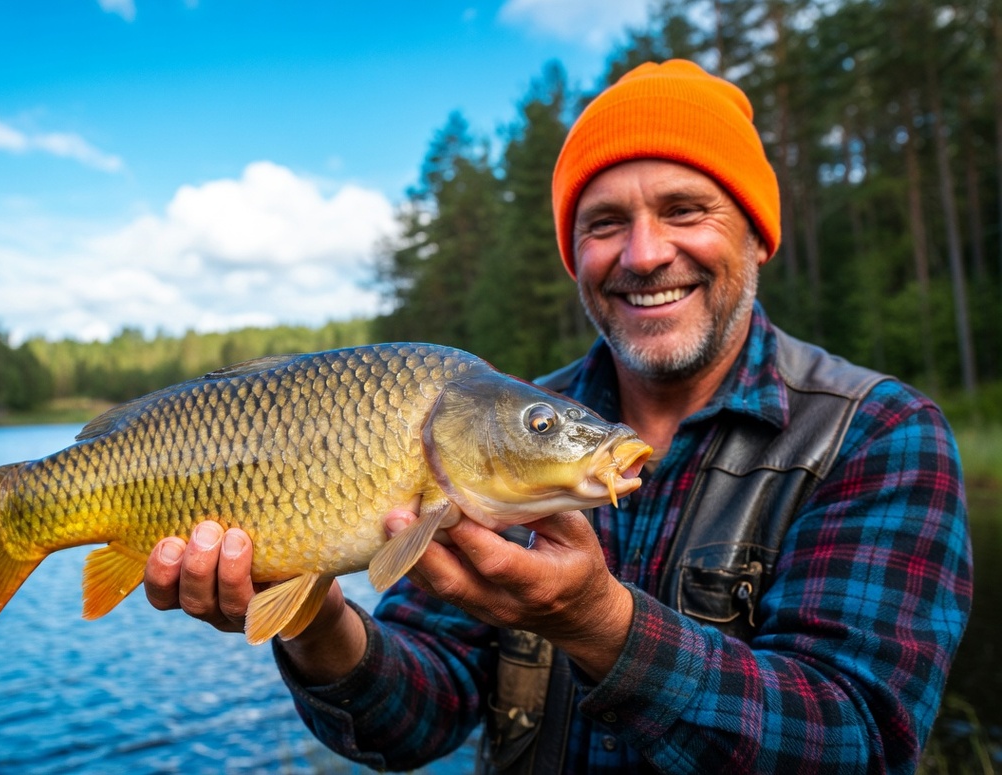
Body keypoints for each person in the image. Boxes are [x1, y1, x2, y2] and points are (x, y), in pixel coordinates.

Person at [142, 59, 973, 772]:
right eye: (605, 223)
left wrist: (598, 624)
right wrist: (316, 616)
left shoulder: (879, 435)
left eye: (685, 209)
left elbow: (858, 743)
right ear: (575, 256)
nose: (644, 254)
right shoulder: (493, 432)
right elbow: (411, 718)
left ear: (756, 234)